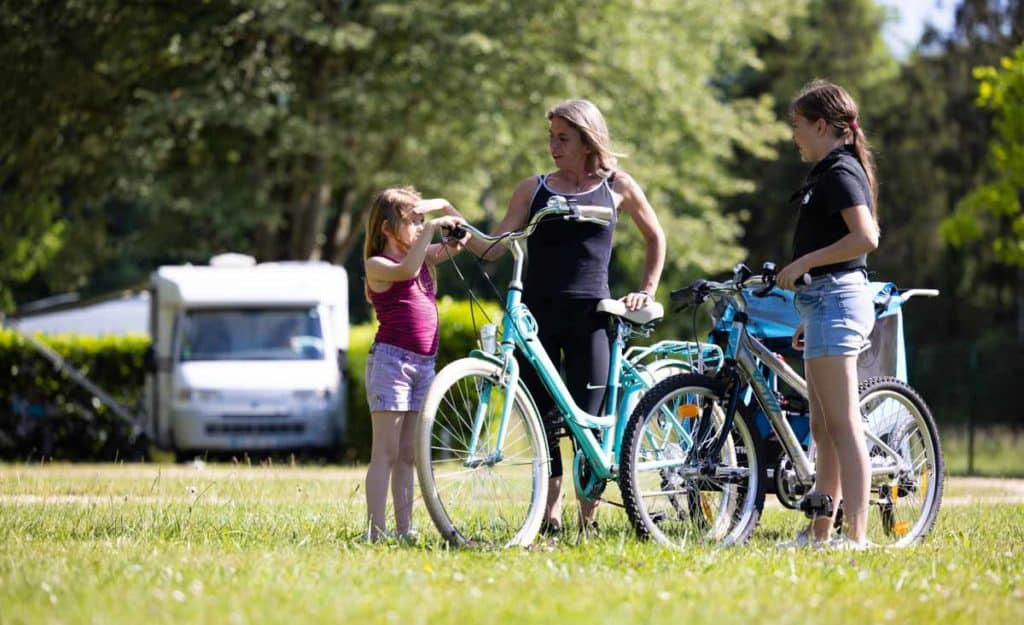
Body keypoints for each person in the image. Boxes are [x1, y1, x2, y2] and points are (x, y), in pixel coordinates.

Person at [467, 99, 666, 535]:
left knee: (586, 423)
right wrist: (462, 232)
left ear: (587, 140)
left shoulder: (617, 185)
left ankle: (586, 521)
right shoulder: (532, 189)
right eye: (551, 137)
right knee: (544, 420)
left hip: (592, 317)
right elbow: (495, 247)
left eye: (563, 138)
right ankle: (549, 517)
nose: (553, 146)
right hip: (537, 317)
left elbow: (655, 238)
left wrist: (646, 290)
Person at [776, 80, 881, 550]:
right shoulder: (825, 174)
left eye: (797, 125)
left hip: (837, 299)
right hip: (823, 302)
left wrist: (805, 264)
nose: (793, 135)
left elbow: (865, 238)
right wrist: (810, 307)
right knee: (821, 426)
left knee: (842, 423)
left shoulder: (841, 172)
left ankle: (856, 537)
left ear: (822, 126)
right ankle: (820, 533)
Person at [362, 185, 467, 541]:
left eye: (422, 221)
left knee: (408, 454)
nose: (421, 227)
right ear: (386, 228)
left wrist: (445, 209)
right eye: (413, 221)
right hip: (391, 363)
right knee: (386, 453)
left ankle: (404, 529)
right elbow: (407, 271)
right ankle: (376, 531)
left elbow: (459, 241)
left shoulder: (422, 256)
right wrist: (432, 226)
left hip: (424, 365)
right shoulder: (378, 265)